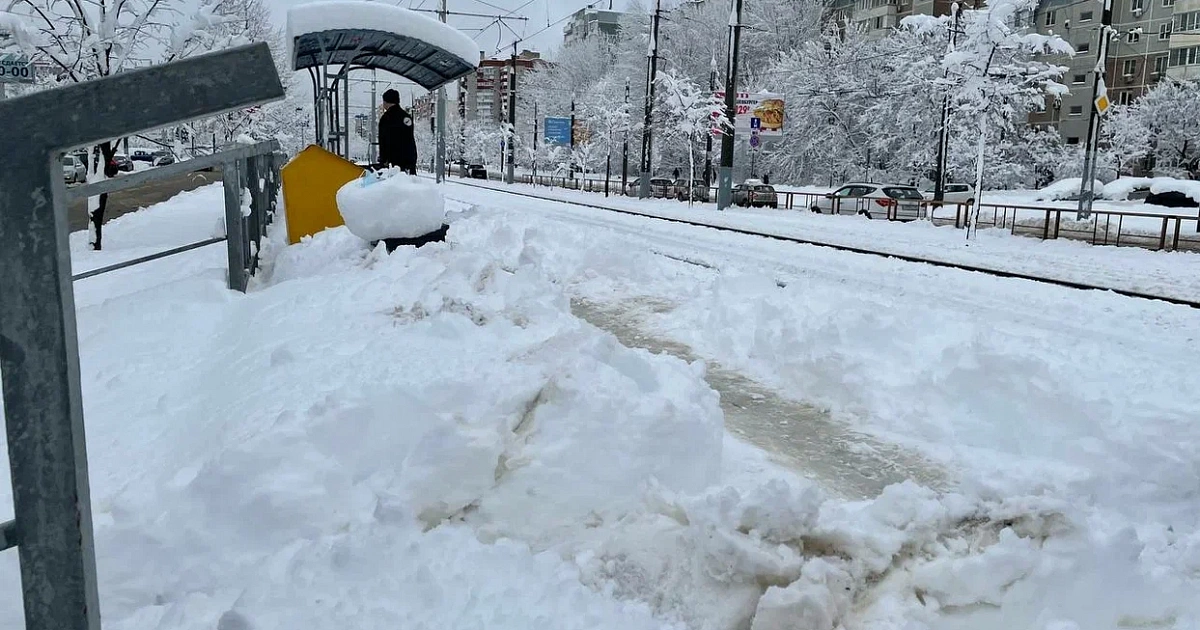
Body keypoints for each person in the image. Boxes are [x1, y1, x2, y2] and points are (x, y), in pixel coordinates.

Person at [378, 88, 417, 175]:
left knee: (394, 187)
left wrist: (383, 160)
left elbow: (383, 141)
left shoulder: (385, 118)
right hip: (409, 160)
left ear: (386, 102)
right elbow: (410, 138)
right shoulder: (406, 117)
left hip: (393, 163)